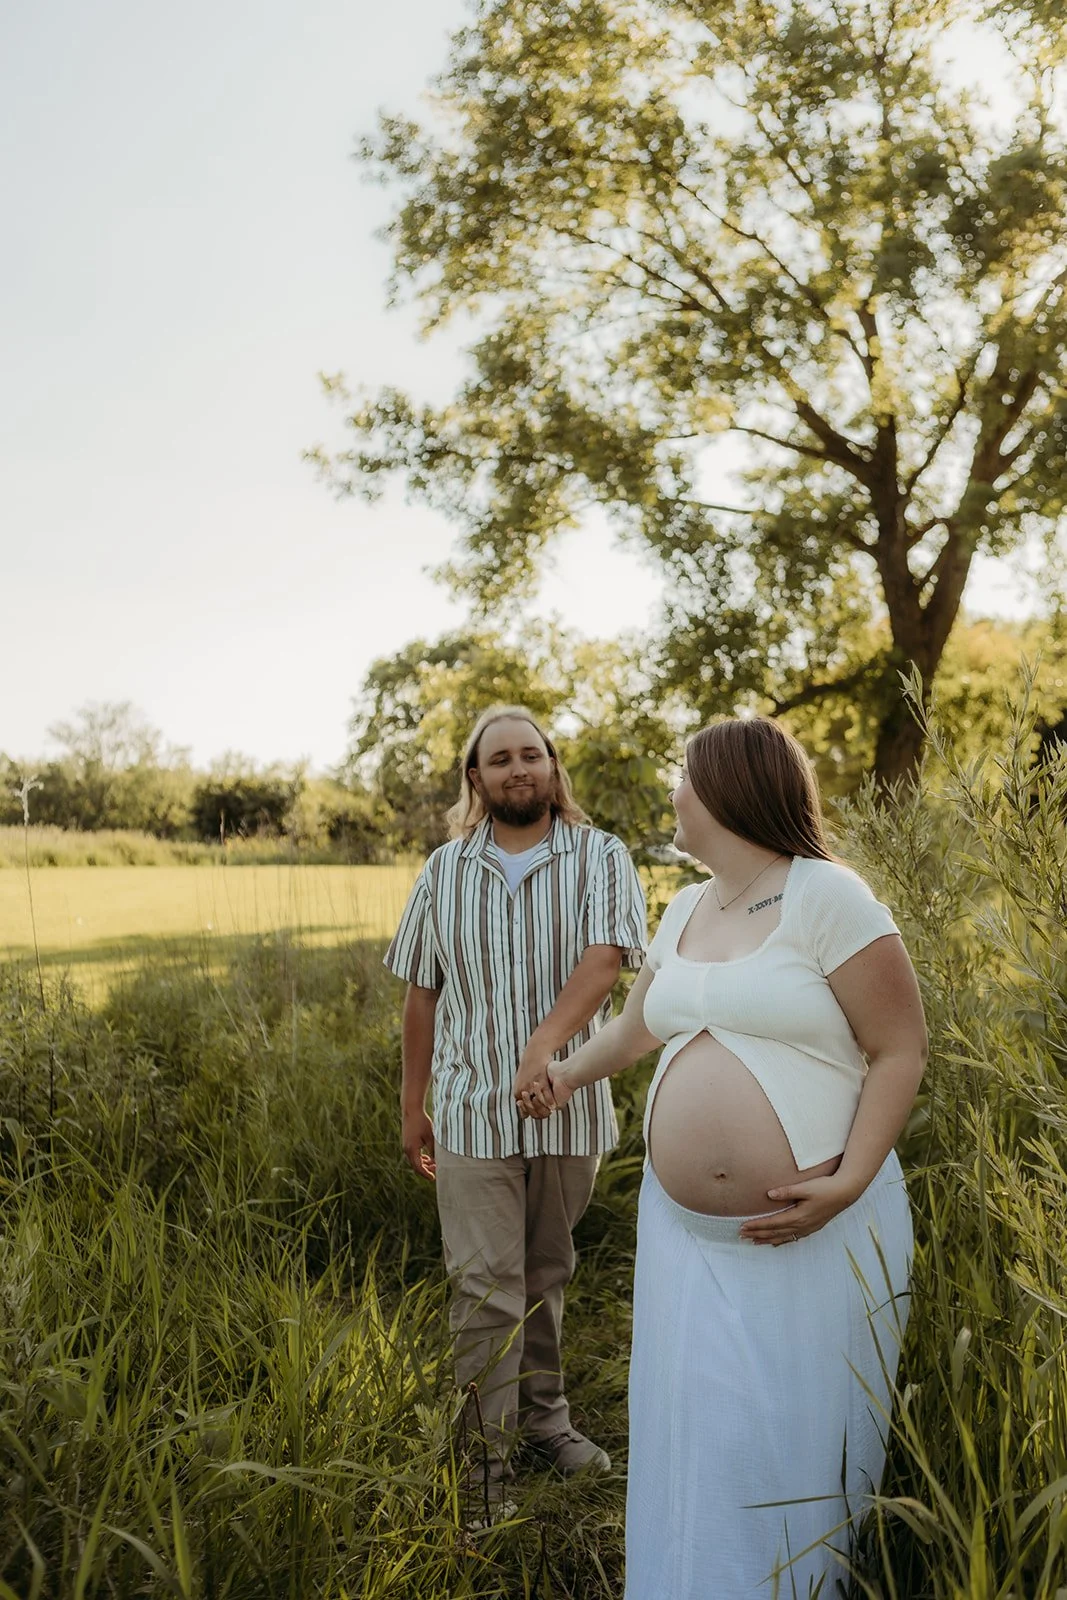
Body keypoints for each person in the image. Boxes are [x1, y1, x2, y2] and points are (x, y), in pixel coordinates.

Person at [518, 716, 926, 1598]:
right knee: (698, 1431)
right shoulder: (686, 907)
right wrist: (557, 1075)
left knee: (783, 1439)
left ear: (731, 788)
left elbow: (901, 1048)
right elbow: (635, 1031)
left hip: (809, 1230)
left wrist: (849, 1180)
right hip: (685, 1239)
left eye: (685, 779)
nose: (674, 794)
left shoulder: (827, 896)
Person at [383, 705, 646, 1511]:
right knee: (484, 1285)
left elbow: (605, 961)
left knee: (544, 1273)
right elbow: (421, 992)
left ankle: (545, 1422)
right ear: (476, 778)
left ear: (552, 765)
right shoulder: (444, 869)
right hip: (467, 1111)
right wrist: (412, 1104)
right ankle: (485, 1468)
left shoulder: (601, 855)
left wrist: (545, 1053)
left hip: (568, 1109)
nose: (516, 768)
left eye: (530, 754)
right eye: (498, 759)